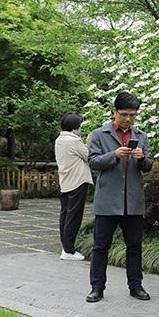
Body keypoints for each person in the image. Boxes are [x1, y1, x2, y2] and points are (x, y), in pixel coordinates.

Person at [85, 92, 155, 303]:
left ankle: (136, 286)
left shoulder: (141, 136)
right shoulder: (99, 134)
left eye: (132, 115)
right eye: (124, 114)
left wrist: (142, 159)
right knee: (100, 247)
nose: (128, 119)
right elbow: (93, 162)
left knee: (135, 247)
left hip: (133, 202)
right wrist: (114, 155)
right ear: (114, 112)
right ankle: (97, 288)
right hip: (107, 201)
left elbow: (149, 166)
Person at [55, 112, 93, 261]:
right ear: (75, 127)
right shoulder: (74, 141)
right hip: (77, 181)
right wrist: (88, 143)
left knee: (65, 215)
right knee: (74, 216)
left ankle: (66, 247)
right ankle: (69, 250)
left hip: (65, 181)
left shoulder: (59, 139)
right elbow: (89, 156)